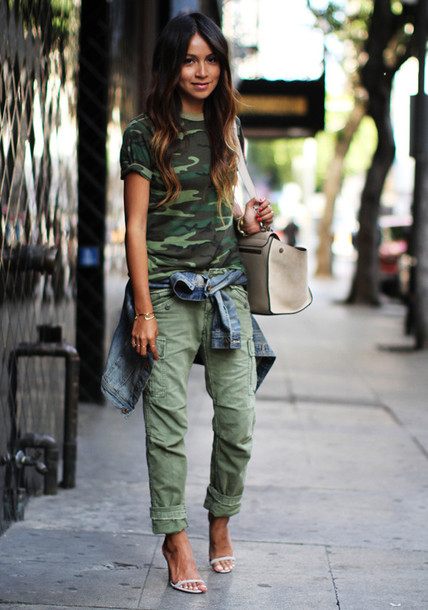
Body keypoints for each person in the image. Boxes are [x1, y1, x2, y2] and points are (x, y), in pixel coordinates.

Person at [103, 12, 274, 594]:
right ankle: (175, 539)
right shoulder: (144, 132)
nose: (201, 71)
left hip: (227, 292)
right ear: (171, 65)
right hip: (169, 297)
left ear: (222, 65)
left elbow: (227, 210)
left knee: (238, 420)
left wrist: (247, 219)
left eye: (211, 59)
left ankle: (220, 523)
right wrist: (144, 311)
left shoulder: (229, 128)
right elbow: (134, 228)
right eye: (189, 59)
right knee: (168, 425)